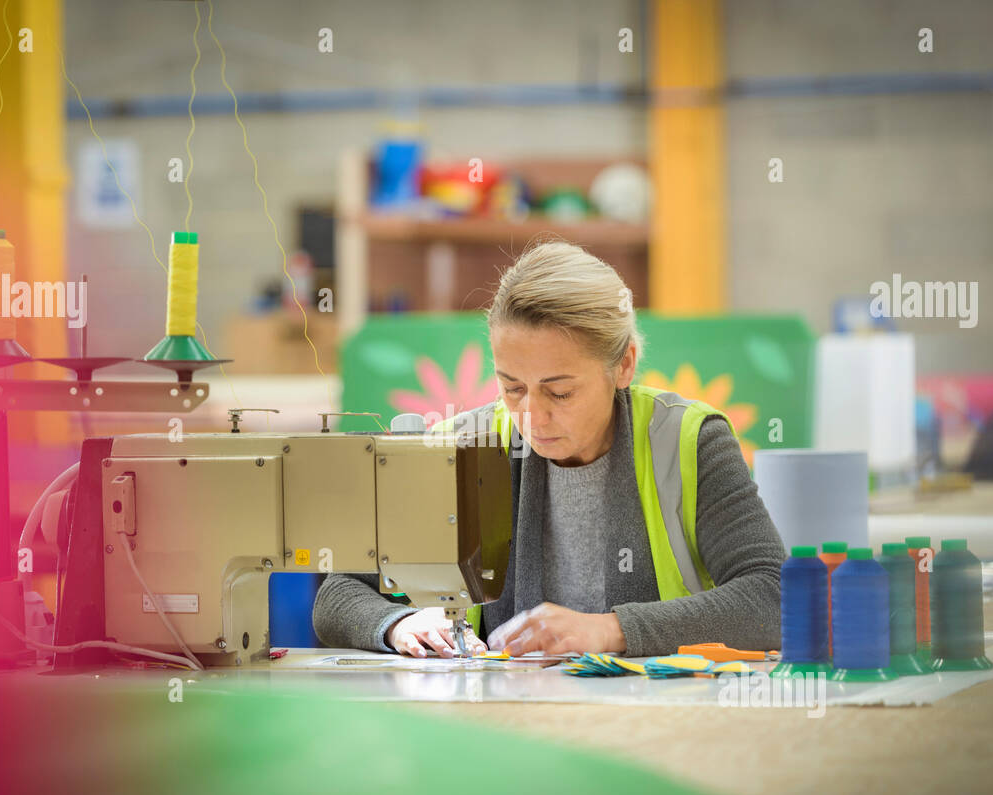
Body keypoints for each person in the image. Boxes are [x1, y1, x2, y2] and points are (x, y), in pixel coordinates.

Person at [312, 240, 785, 658]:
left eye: (559, 392)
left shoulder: (689, 440)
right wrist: (398, 623)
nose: (532, 416)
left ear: (624, 366)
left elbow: (774, 596)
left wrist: (609, 631)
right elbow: (339, 592)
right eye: (512, 387)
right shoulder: (460, 449)